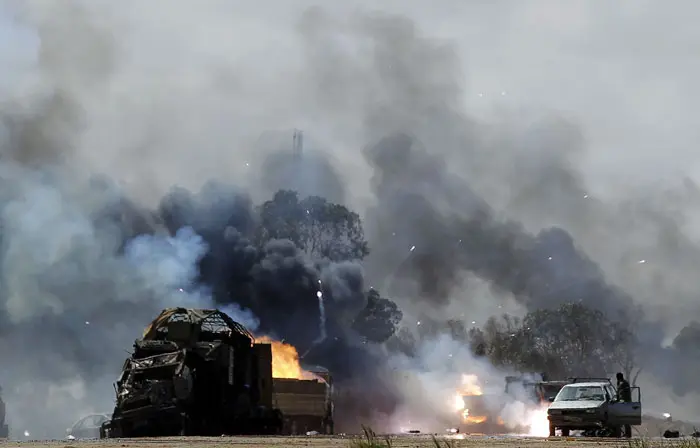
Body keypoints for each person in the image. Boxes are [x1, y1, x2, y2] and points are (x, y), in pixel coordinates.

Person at [616, 372, 632, 438]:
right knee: (625, 419)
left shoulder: (623, 384)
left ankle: (627, 434)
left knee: (625, 419)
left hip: (626, 403)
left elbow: (620, 393)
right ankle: (627, 433)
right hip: (626, 402)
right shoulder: (625, 383)